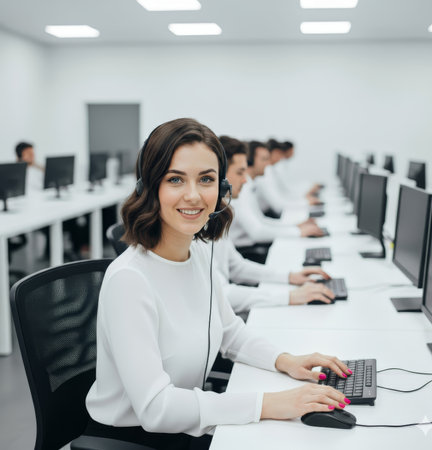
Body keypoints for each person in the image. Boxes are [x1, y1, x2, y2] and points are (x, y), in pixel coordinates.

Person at [85, 118, 352, 449]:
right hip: (138, 437)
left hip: (185, 418)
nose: (194, 195)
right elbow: (156, 408)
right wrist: (270, 404)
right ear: (148, 187)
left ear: (221, 189)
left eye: (206, 179)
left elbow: (230, 331)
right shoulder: (130, 280)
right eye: (175, 179)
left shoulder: (198, 252)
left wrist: (286, 360)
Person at [215, 138, 335, 312]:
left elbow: (235, 267)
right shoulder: (201, 223)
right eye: (240, 172)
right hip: (248, 256)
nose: (246, 180)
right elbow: (220, 294)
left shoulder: (221, 213)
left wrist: (289, 277)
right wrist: (288, 296)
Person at [225, 136, 324, 249]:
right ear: (250, 161)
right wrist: (297, 231)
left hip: (253, 245)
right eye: (264, 159)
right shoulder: (240, 190)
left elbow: (261, 221)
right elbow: (258, 231)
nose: (268, 164)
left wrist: (296, 226)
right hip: (249, 249)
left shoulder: (247, 186)